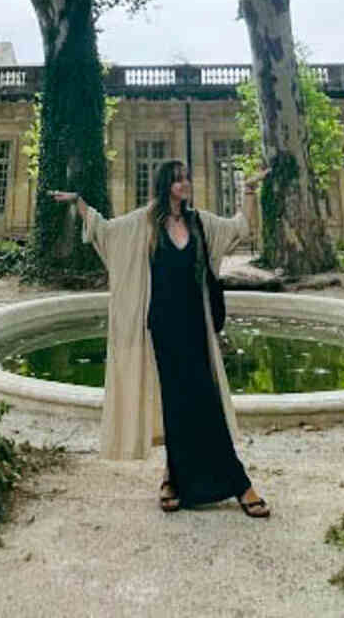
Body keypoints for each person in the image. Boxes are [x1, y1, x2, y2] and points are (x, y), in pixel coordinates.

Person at [48, 160, 270, 518]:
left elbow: (240, 227)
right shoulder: (145, 223)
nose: (185, 184)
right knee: (175, 403)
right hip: (163, 328)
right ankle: (172, 476)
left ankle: (239, 482)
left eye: (186, 178)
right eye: (179, 179)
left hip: (195, 326)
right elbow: (106, 231)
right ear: (166, 184)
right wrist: (80, 203)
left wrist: (248, 189)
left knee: (206, 402)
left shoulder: (200, 222)